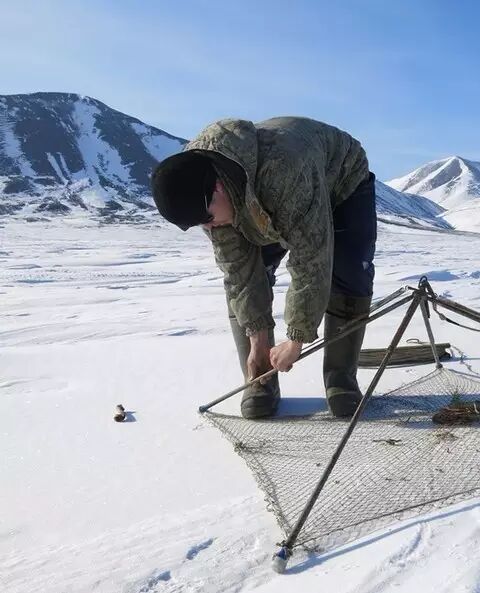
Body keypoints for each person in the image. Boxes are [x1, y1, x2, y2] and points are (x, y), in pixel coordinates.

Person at [151, 117, 376, 419]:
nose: (209, 227)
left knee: (351, 273)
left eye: (207, 219)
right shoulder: (198, 188)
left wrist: (296, 338)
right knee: (250, 279)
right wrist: (257, 340)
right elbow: (240, 275)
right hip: (256, 197)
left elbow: (311, 258)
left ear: (217, 188)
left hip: (342, 180)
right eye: (200, 224)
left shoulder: (284, 173)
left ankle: (341, 378)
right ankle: (260, 378)